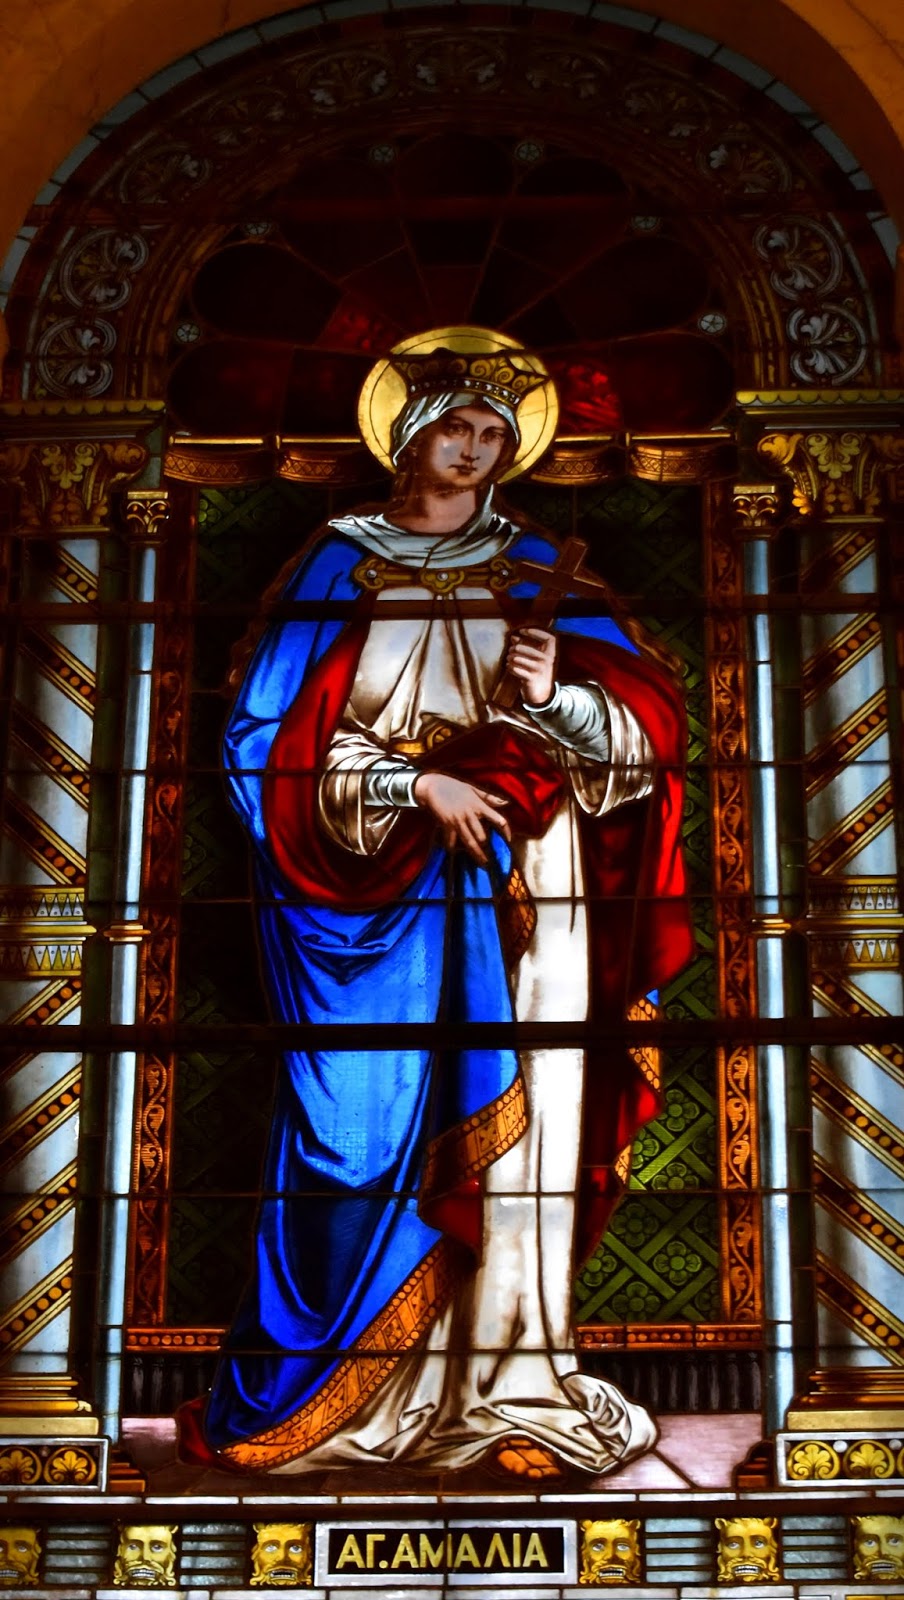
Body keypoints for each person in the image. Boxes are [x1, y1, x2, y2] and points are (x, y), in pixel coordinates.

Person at [189, 339, 693, 1479]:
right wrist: (412, 785)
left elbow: (647, 739)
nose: (471, 451)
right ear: (407, 437)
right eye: (454, 428)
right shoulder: (336, 566)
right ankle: (341, 1398)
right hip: (370, 886)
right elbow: (261, 740)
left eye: (492, 435)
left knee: (531, 1130)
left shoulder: (538, 566)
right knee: (355, 1141)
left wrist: (553, 697)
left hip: (529, 884)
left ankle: (513, 1385)